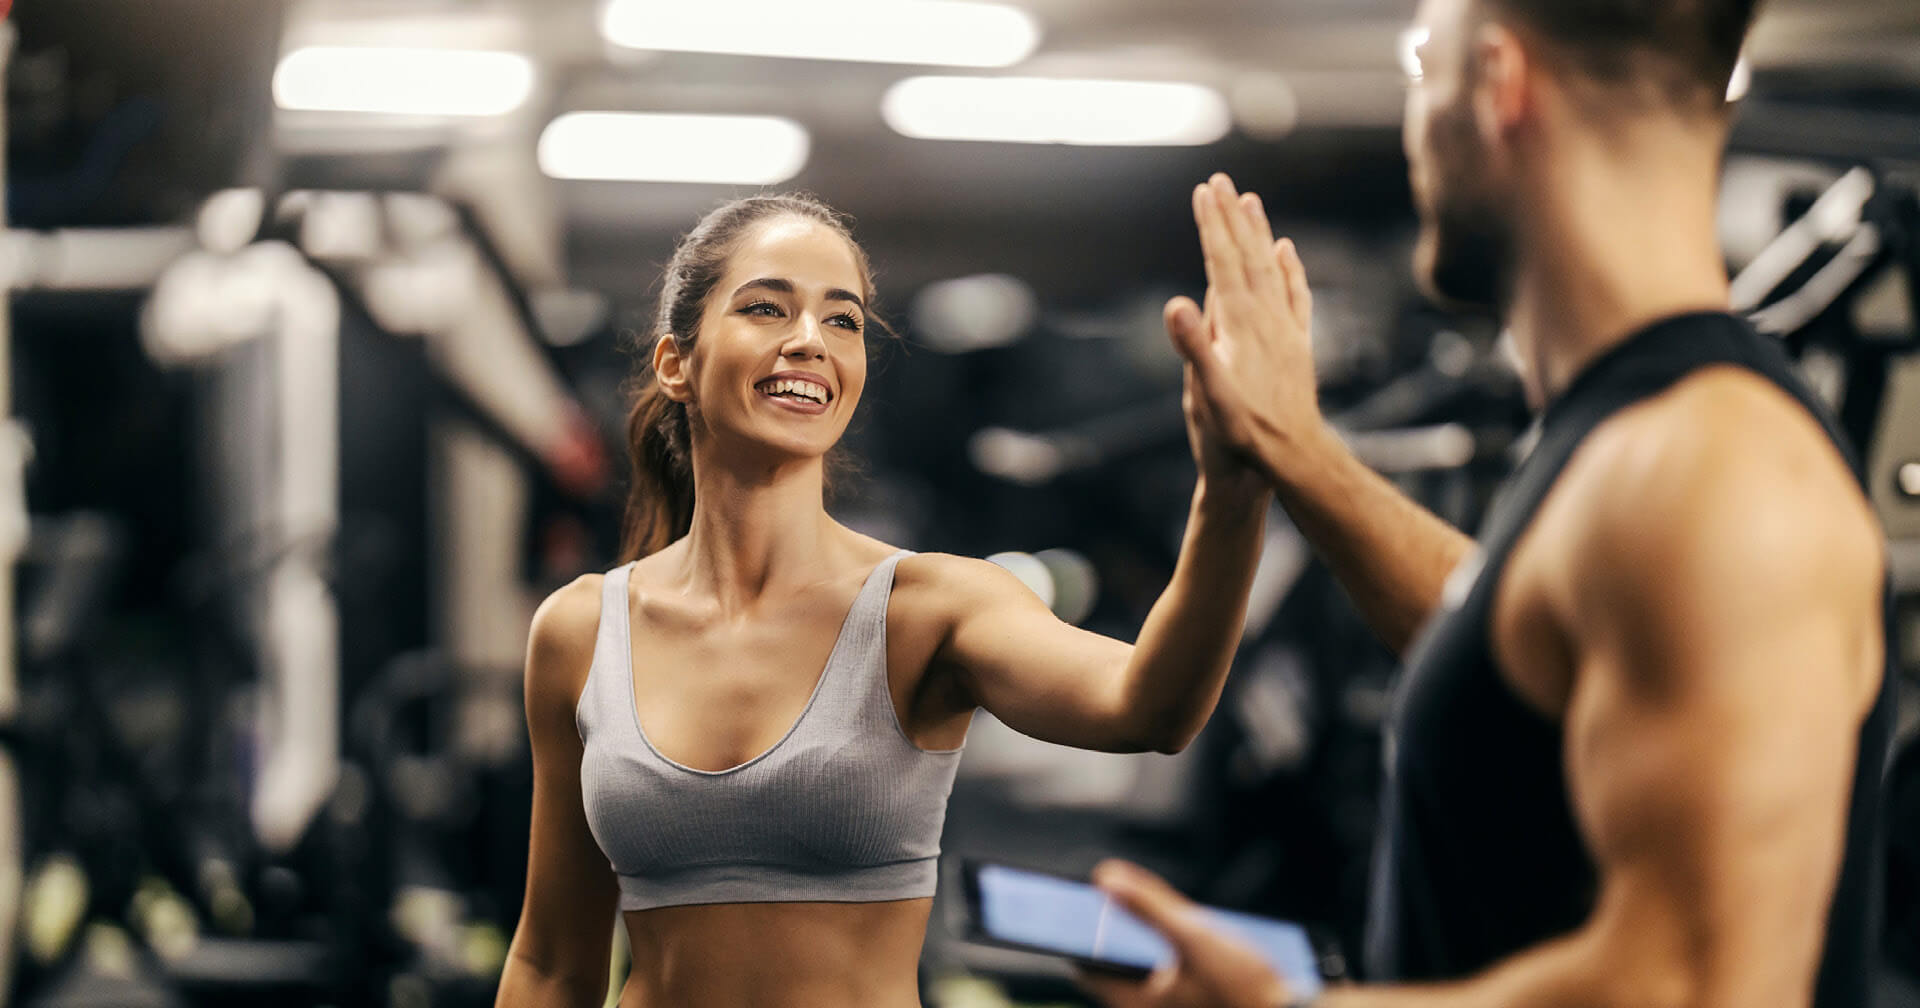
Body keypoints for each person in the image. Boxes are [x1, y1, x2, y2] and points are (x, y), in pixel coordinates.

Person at [1082, 1, 1894, 1007]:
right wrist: (1295, 452)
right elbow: (1513, 649)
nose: (1414, 114)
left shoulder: (1714, 470)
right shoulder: (1631, 445)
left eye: (1426, 62)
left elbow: (1697, 987)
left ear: (1500, 84)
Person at [493, 193, 1274, 1007]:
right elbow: (552, 962)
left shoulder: (933, 608)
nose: (809, 341)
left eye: (843, 321)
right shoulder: (582, 631)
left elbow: (1152, 706)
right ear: (675, 363)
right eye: (766, 307)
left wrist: (1233, 493)